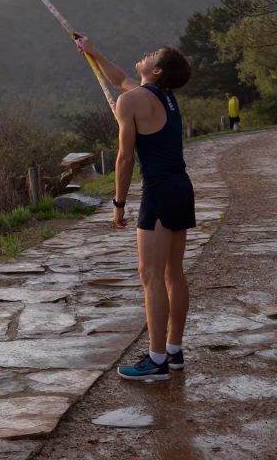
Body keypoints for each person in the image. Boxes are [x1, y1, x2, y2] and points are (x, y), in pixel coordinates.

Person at [75, 35, 193, 381]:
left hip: (158, 193)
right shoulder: (163, 97)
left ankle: (156, 361)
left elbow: (125, 159)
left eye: (152, 54)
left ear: (156, 70)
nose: (146, 53)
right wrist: (93, 52)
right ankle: (173, 352)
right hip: (181, 188)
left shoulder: (131, 102)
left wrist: (119, 204)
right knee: (173, 273)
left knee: (151, 275)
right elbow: (121, 79)